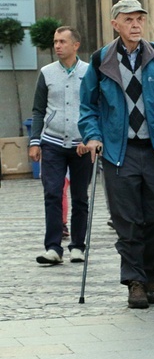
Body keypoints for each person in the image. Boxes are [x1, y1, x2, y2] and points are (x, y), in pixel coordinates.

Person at [78, 0, 154, 309]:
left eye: (139, 19)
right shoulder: (100, 60)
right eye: (129, 19)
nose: (136, 24)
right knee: (127, 220)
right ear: (115, 24)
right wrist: (93, 136)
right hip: (118, 152)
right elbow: (88, 106)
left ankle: (150, 275)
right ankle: (135, 281)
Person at [29, 26, 93, 265]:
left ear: (75, 45)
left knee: (80, 196)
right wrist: (35, 142)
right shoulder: (46, 73)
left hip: (81, 144)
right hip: (53, 141)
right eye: (55, 42)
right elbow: (38, 110)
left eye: (62, 42)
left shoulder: (89, 73)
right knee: (53, 193)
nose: (57, 46)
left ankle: (77, 245)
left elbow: (97, 108)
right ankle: (53, 247)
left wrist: (90, 139)